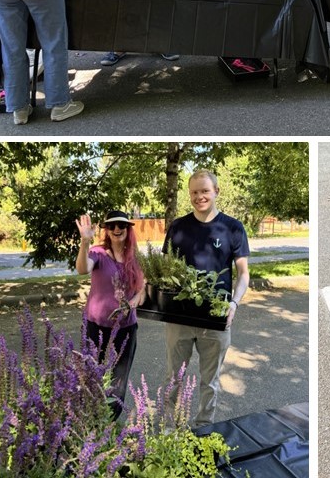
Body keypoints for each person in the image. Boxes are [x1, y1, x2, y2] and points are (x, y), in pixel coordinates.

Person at [162, 169, 250, 426]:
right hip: (179, 318)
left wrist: (234, 303)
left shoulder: (232, 228)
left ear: (216, 192)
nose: (199, 196)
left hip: (216, 318)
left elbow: (243, 273)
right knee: (173, 379)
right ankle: (170, 430)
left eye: (204, 191)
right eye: (194, 192)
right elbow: (166, 270)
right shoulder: (178, 227)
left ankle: (204, 430)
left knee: (209, 383)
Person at [75, 210, 145, 420]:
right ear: (106, 229)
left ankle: (109, 425)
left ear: (128, 229)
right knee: (90, 375)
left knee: (118, 380)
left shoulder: (136, 256)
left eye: (121, 225)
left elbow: (143, 288)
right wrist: (84, 242)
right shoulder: (98, 253)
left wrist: (131, 304)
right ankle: (88, 421)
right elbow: (81, 269)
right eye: (112, 225)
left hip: (125, 327)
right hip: (96, 325)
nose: (117, 229)